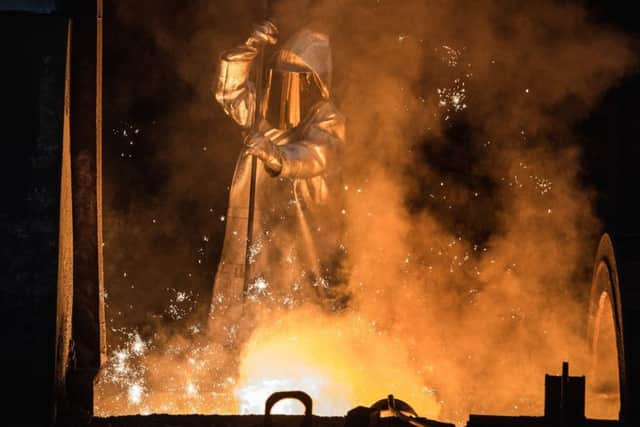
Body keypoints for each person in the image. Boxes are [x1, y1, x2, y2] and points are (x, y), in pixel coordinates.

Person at [210, 21, 349, 327]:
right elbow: (228, 92)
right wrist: (250, 48)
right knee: (253, 290)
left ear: (315, 81)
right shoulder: (260, 112)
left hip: (302, 224)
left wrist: (274, 155)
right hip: (259, 221)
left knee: (300, 292)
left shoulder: (326, 117)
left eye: (297, 73)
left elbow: (315, 155)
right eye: (282, 70)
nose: (288, 83)